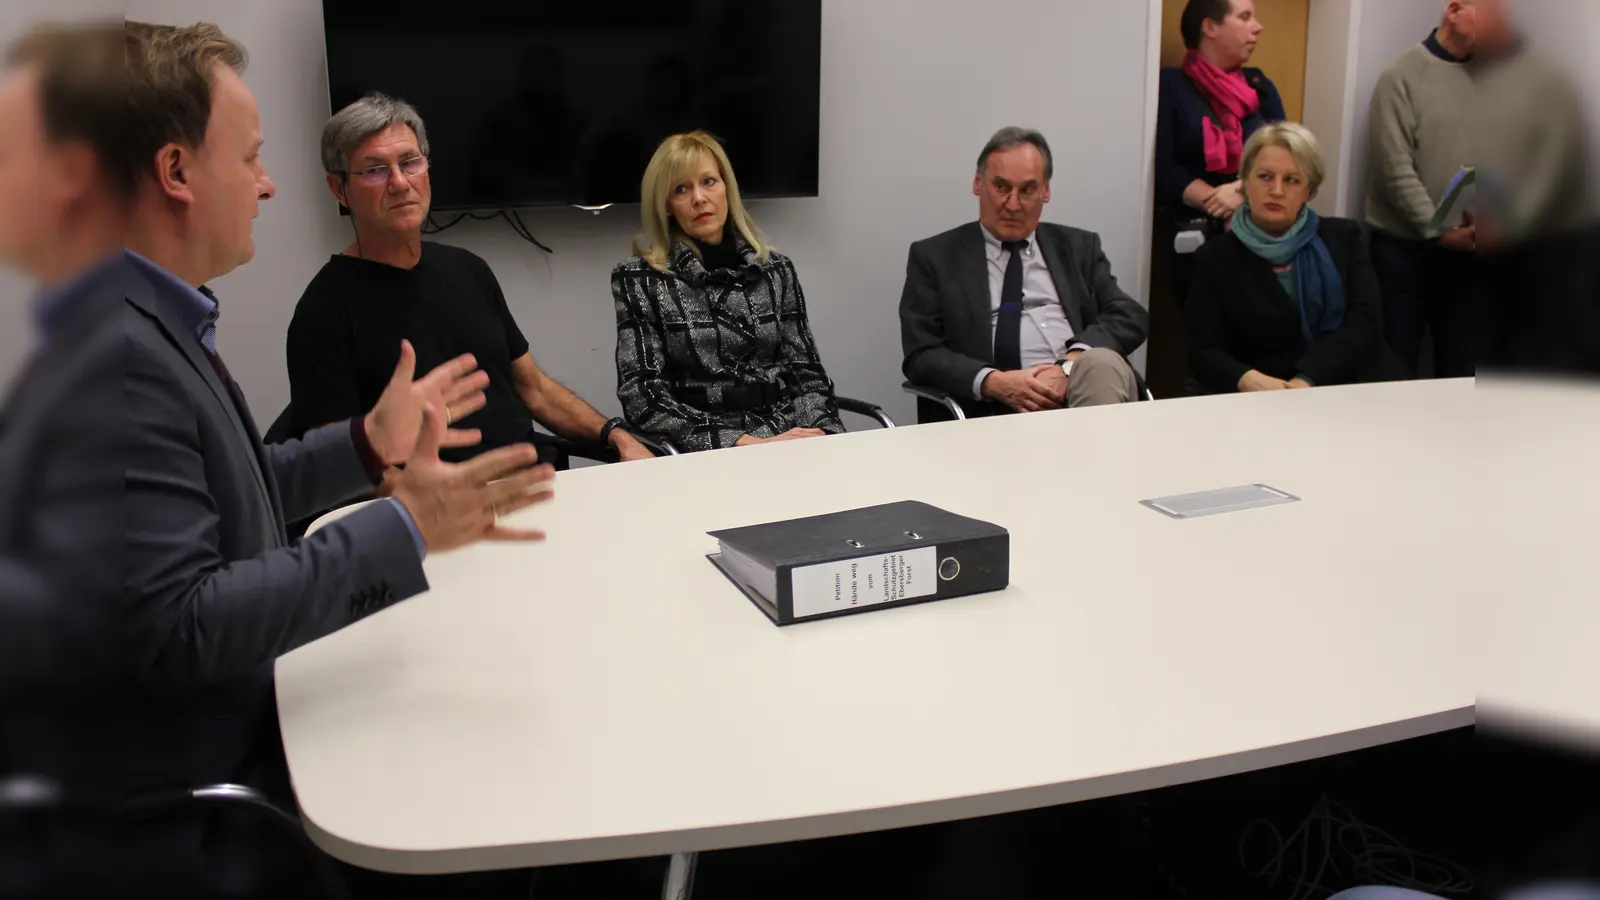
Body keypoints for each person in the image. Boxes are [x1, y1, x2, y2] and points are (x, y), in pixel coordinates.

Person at [87, 21, 553, 896]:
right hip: (242, 781)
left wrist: (362, 444)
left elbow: (239, 489)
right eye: (251, 157)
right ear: (176, 174)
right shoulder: (119, 360)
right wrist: (405, 525)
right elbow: (184, 626)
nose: (267, 186)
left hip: (266, 702)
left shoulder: (160, 318)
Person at [286, 92, 653, 476]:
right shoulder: (324, 310)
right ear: (339, 188)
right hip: (432, 516)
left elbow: (534, 389)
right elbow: (336, 466)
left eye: (410, 162)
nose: (399, 183)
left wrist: (617, 435)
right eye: (375, 170)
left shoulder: (467, 270)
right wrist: (434, 502)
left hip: (532, 489)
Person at [611, 130, 842, 452]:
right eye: (681, 189)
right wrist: (738, 442)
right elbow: (643, 397)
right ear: (666, 204)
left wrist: (819, 432)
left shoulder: (776, 269)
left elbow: (808, 375)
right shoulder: (640, 278)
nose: (698, 198)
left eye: (709, 182)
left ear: (726, 188)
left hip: (790, 435)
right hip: (708, 447)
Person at [898, 127, 1148, 420]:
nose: (1013, 204)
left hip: (1079, 392)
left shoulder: (1077, 247)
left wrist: (1069, 365)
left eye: (1027, 190)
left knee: (1101, 363)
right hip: (990, 408)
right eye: (1001, 187)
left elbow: (1128, 314)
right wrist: (992, 382)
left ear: (1045, 192)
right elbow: (921, 354)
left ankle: (1092, 461)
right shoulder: (935, 257)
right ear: (978, 184)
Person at [1186, 123, 1406, 393]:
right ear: (1244, 182)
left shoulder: (1343, 238)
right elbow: (1204, 351)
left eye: (1292, 180)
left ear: (1309, 190)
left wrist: (1307, 379)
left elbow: (1365, 323)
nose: (1277, 190)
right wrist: (1246, 377)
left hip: (1352, 384)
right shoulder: (1215, 258)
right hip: (1262, 395)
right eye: (1265, 176)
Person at [1363, 0, 1476, 378]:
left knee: (1462, 362)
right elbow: (1394, 169)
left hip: (1469, 250)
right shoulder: (1402, 76)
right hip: (1402, 251)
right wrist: (1439, 231)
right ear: (1455, 10)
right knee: (1397, 361)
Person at [1155, 0, 1286, 305]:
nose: (1258, 27)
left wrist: (1240, 192)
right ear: (1210, 26)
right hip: (1198, 243)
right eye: (1245, 17)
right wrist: (1218, 203)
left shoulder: (1259, 85)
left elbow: (1287, 158)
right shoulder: (1171, 86)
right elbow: (1164, 167)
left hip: (1263, 239)